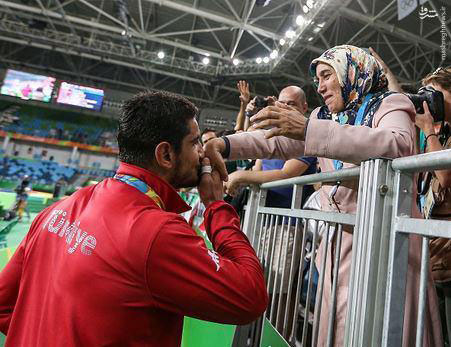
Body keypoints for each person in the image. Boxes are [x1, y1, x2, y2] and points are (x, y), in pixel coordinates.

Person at [205, 45, 442, 346]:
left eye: (327, 75)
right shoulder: (325, 116)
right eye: (317, 79)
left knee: (382, 329)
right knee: (338, 328)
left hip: (386, 243)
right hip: (339, 244)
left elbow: (394, 144)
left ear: (351, 71)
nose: (320, 86)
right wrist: (224, 146)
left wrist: (307, 129)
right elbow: (273, 143)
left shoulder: (390, 104)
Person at [0, 91, 268, 346]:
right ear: (165, 154)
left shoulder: (60, 208)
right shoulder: (157, 232)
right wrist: (216, 206)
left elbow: (3, 305)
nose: (202, 153)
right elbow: (250, 297)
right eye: (195, 142)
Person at [415, 66, 451, 345]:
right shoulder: (446, 132)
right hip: (437, 252)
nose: (430, 102)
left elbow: (444, 175)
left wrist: (428, 131)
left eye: (436, 95)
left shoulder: (439, 135)